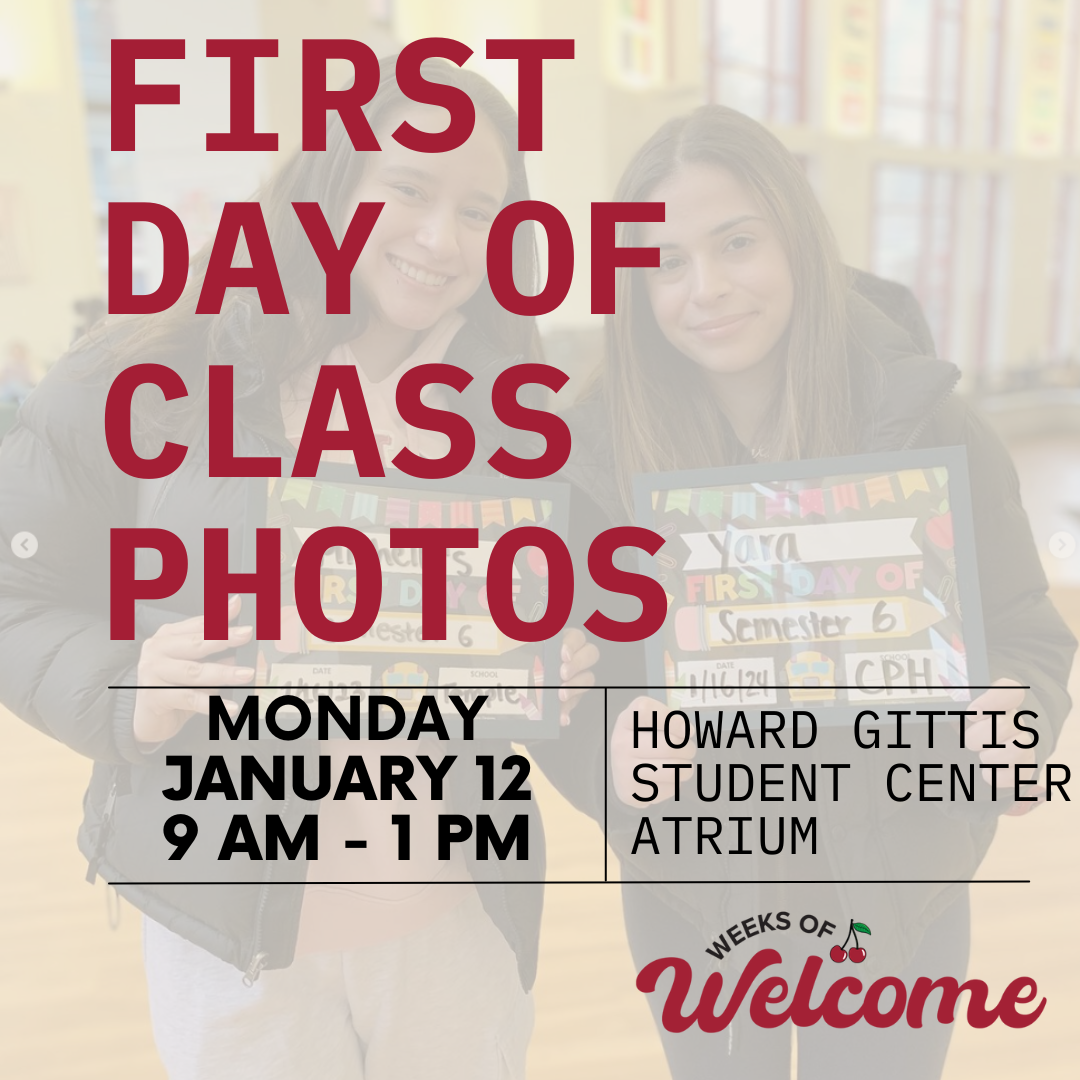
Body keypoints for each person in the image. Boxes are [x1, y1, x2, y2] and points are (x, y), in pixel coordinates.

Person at [0, 56, 595, 1080]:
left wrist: (566, 654)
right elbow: (19, 593)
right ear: (333, 178)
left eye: (479, 210)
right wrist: (120, 682)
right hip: (229, 934)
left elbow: (567, 621)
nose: (439, 237)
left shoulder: (517, 410)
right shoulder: (154, 369)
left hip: (450, 925)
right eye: (408, 187)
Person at [556, 105, 1076, 1079]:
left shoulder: (935, 429)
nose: (705, 289)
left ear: (795, 232)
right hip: (696, 901)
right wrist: (606, 755)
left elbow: (1026, 633)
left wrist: (1019, 714)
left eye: (737, 242)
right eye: (665, 263)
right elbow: (571, 685)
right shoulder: (596, 462)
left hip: (896, 895)